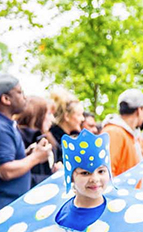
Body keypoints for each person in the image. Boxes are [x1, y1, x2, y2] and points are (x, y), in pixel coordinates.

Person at [0, 75, 52, 208]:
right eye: (19, 92)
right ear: (6, 99)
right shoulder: (2, 127)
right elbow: (5, 171)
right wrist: (36, 157)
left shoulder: (8, 124)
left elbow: (8, 160)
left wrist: (27, 154)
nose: (25, 97)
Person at [101, 89, 143, 187]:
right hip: (122, 200)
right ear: (139, 110)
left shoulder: (135, 136)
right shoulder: (113, 132)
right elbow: (105, 173)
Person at [15, 95, 61, 187]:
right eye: (48, 114)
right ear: (36, 115)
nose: (53, 119)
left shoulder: (47, 139)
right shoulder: (19, 140)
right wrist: (54, 177)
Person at [49, 89, 84, 166]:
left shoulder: (76, 139)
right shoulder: (51, 140)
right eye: (79, 115)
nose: (83, 119)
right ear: (67, 116)